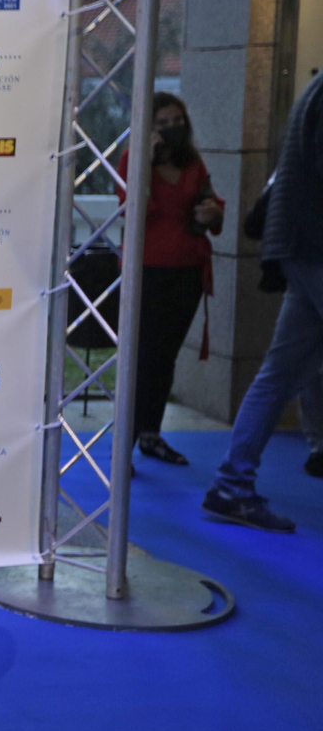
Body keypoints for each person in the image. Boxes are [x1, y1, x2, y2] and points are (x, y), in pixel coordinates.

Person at [205, 69, 323, 532]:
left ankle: (232, 486)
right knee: (278, 375)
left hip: (300, 247)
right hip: (313, 246)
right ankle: (231, 486)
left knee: (278, 374)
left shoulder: (314, 90)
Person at [116, 92, 225, 464]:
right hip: (146, 273)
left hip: (188, 272)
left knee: (165, 358)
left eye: (177, 121)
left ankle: (151, 434)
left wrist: (212, 212)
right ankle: (124, 444)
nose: (171, 128)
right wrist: (145, 163)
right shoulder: (132, 161)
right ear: (147, 127)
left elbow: (211, 204)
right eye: (162, 123)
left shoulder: (193, 162)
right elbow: (133, 211)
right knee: (142, 359)